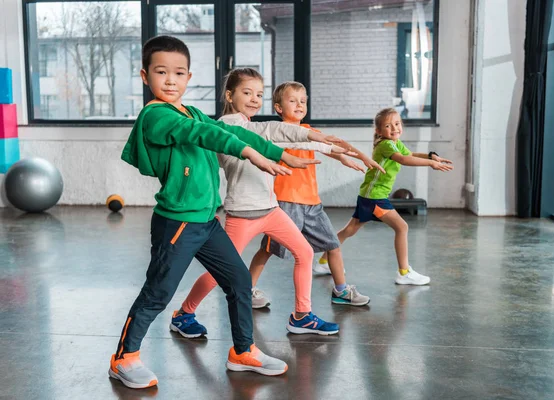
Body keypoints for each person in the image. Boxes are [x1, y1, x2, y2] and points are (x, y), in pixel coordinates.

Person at [109, 37, 316, 389]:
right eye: (161, 72)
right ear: (146, 76)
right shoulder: (156, 115)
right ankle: (124, 358)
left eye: (178, 73)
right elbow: (203, 133)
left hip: (206, 221)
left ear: (189, 76)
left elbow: (227, 129)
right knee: (158, 293)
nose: (170, 80)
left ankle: (243, 352)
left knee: (238, 280)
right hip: (178, 221)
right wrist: (250, 154)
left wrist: (279, 154)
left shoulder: (188, 110)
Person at [172, 68, 346, 338]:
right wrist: (316, 140)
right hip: (242, 214)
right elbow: (272, 131)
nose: (255, 99)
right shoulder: (227, 126)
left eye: (259, 94)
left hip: (271, 209)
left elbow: (281, 135)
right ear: (229, 95)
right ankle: (184, 313)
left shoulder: (252, 125)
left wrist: (327, 146)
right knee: (222, 271)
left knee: (305, 252)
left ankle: (301, 315)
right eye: (247, 92)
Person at [248, 81, 372, 308]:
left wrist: (346, 156)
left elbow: (328, 146)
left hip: (312, 203)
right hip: (286, 204)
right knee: (267, 249)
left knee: (333, 245)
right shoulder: (276, 133)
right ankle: (247, 290)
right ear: (278, 107)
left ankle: (341, 291)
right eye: (292, 100)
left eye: (303, 101)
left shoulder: (310, 131)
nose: (299, 105)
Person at [319, 107, 453, 286]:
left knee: (350, 230)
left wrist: (431, 156)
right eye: (388, 126)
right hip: (375, 197)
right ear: (379, 131)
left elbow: (410, 155)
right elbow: (403, 160)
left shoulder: (395, 143)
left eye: (397, 124)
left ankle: (323, 262)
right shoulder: (385, 145)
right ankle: (404, 272)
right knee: (402, 227)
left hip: (370, 195)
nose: (395, 128)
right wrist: (430, 164)